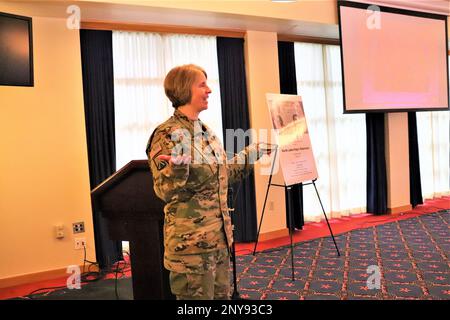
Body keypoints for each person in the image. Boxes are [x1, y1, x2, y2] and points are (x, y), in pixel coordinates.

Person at [145, 64, 274, 300]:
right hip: (192, 250)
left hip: (219, 241)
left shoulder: (206, 132)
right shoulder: (167, 134)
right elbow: (164, 191)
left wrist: (252, 152)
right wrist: (177, 170)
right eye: (202, 84)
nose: (209, 90)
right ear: (184, 90)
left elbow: (224, 174)